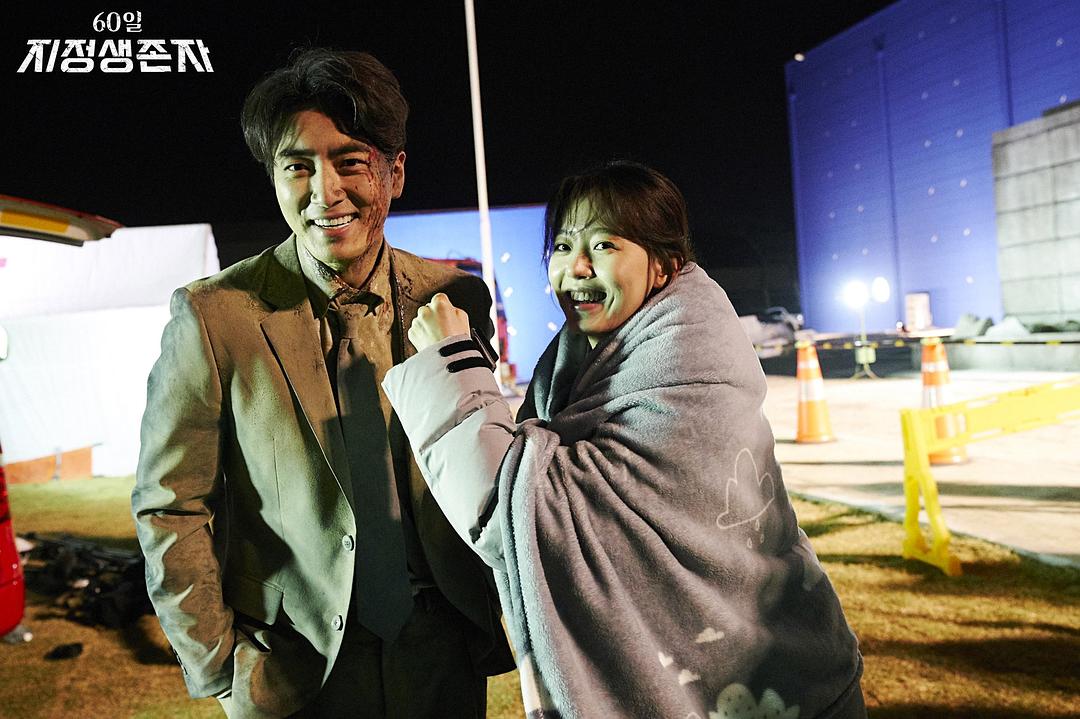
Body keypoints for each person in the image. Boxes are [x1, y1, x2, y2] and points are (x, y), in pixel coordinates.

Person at [383, 161, 866, 718]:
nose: (575, 267)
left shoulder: (692, 368)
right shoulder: (579, 362)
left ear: (664, 264)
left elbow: (516, 509)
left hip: (772, 689)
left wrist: (449, 362)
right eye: (563, 246)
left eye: (604, 245)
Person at [132, 48, 513, 718]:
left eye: (349, 161)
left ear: (395, 171)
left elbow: (488, 461)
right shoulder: (215, 316)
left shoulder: (457, 297)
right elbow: (171, 504)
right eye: (298, 166)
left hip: (443, 659)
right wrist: (219, 664)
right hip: (293, 669)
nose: (324, 191)